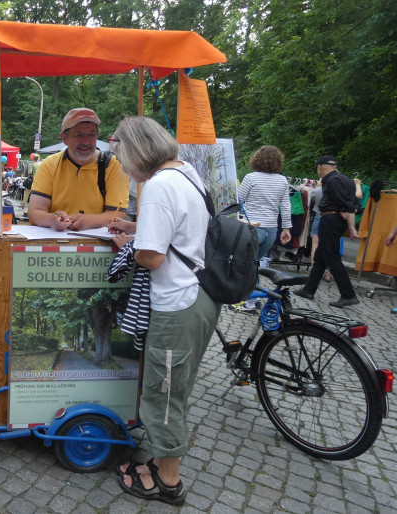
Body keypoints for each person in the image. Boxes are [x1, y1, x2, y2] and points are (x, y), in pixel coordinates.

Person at [107, 116, 220, 505]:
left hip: (177, 304)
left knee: (164, 390)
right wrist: (137, 225)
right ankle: (157, 463)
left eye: (121, 155)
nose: (121, 165)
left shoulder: (156, 186)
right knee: (175, 385)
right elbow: (181, 230)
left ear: (136, 151)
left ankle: (166, 481)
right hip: (200, 296)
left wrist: (127, 241)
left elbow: (153, 258)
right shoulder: (186, 173)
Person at [27, 108, 128, 231]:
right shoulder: (49, 164)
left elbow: (118, 215)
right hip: (56, 242)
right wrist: (53, 220)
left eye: (91, 134)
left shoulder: (113, 165)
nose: (86, 141)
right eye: (79, 135)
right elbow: (34, 212)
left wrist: (87, 220)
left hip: (98, 246)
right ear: (64, 138)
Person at [295, 155, 360, 308]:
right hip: (335, 220)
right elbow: (355, 201)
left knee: (332, 258)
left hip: (330, 219)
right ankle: (309, 290)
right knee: (321, 257)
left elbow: (344, 201)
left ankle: (348, 294)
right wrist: (350, 213)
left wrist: (347, 209)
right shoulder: (346, 180)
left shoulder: (331, 180)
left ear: (320, 167)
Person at [237, 145, 292, 259]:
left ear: (257, 159)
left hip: (253, 227)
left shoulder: (250, 178)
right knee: (255, 263)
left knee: (246, 264)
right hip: (272, 230)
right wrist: (286, 229)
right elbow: (286, 207)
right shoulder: (283, 180)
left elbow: (238, 202)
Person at [309, 182, 332, 281]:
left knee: (315, 245)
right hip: (333, 217)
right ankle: (328, 274)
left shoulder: (316, 191)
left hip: (319, 215)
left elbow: (312, 199)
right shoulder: (337, 191)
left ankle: (314, 271)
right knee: (331, 247)